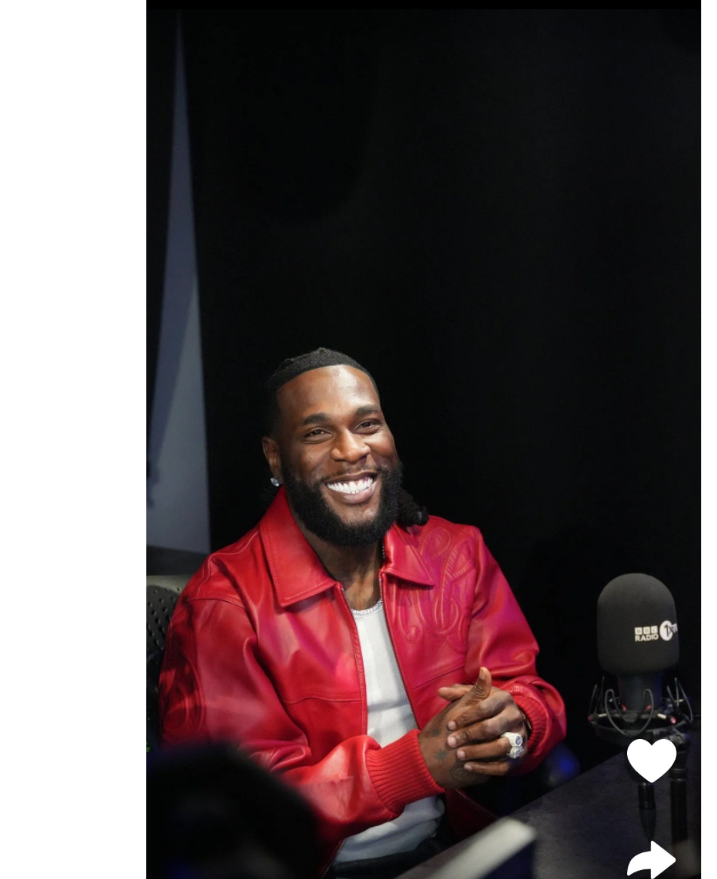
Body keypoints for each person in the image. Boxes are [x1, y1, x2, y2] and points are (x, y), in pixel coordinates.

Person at [159, 348, 567, 879]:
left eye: (367, 425)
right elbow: (241, 808)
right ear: (275, 457)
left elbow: (531, 693)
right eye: (317, 433)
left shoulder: (455, 554)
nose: (352, 450)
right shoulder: (225, 602)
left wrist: (515, 724)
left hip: (453, 850)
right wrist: (415, 764)